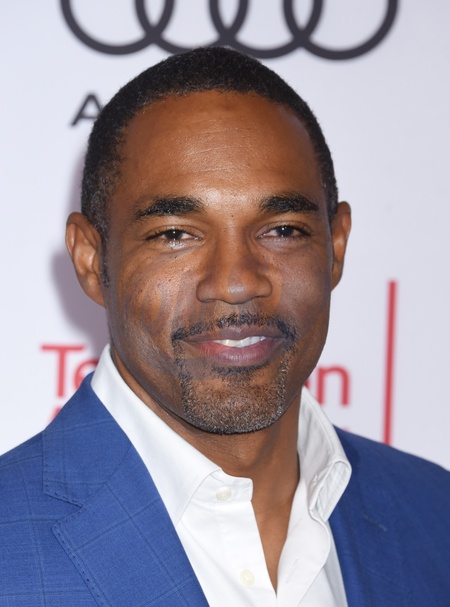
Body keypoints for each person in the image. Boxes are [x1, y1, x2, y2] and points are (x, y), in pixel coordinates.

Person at [0, 47, 449, 607]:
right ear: (92, 260)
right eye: (175, 234)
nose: (236, 282)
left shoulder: (434, 515)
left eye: (282, 230)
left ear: (336, 246)